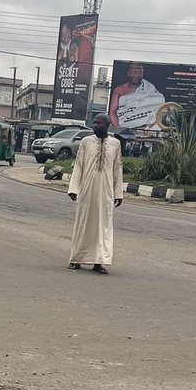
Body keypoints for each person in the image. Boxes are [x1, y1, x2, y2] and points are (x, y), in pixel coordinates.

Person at [67, 113, 123, 273]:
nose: (95, 125)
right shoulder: (86, 142)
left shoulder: (115, 144)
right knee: (83, 224)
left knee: (103, 226)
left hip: (106, 192)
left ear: (107, 125)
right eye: (94, 123)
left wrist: (118, 193)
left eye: (99, 123)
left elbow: (117, 169)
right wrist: (74, 188)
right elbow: (78, 165)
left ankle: (99, 262)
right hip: (87, 190)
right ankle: (77, 259)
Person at [109, 62, 166, 130]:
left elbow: (159, 105)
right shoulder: (119, 89)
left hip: (146, 130)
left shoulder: (150, 88)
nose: (136, 75)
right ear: (128, 73)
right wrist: (118, 129)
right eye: (134, 72)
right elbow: (112, 112)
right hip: (123, 127)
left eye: (139, 73)